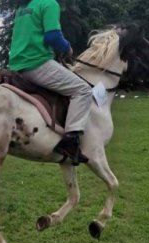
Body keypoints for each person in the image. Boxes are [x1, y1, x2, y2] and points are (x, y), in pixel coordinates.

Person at [9, 0, 92, 165]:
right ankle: (70, 139)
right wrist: (67, 48)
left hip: (17, 66)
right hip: (37, 63)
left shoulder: (23, 6)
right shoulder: (49, 3)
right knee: (83, 90)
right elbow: (53, 36)